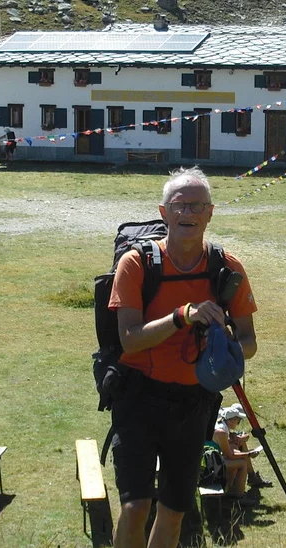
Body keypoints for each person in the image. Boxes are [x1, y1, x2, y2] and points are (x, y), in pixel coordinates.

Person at [108, 166, 258, 548]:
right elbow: (129, 341)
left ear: (210, 213)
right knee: (136, 506)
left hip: (194, 403)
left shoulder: (227, 267)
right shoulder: (137, 263)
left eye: (197, 205)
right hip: (137, 397)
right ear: (163, 212)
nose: (187, 213)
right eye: (179, 205)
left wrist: (224, 345)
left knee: (174, 510)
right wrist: (182, 316)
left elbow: (249, 341)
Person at [212, 404, 272, 499]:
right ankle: (239, 495)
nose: (238, 424)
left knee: (240, 446)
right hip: (212, 463)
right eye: (238, 421)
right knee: (242, 464)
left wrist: (235, 438)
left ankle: (249, 479)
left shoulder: (223, 427)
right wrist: (248, 454)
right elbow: (230, 455)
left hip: (215, 458)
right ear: (232, 421)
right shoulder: (222, 432)